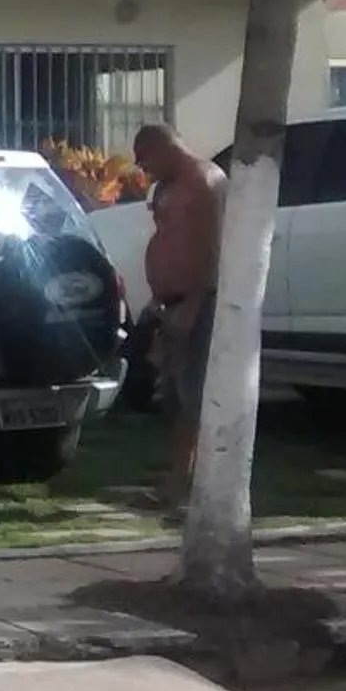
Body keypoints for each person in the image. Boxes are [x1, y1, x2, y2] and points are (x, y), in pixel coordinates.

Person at [134, 122, 226, 511]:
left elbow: (213, 248)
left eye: (145, 159)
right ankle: (177, 481)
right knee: (174, 398)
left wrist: (192, 304)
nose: (143, 168)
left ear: (162, 148)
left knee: (195, 396)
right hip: (170, 302)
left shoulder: (203, 182)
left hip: (197, 302)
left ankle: (199, 487)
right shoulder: (168, 185)